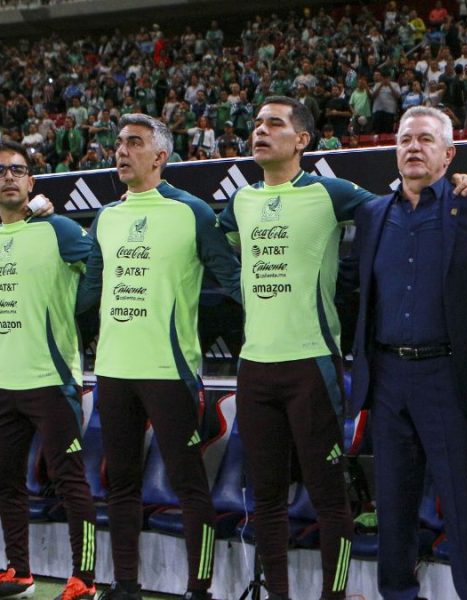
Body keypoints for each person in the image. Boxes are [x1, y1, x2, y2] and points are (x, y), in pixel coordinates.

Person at [217, 96, 467, 600]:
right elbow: (218, 246)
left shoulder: (332, 193)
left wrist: (458, 185)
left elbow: (400, 205)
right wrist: (242, 288)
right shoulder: (241, 201)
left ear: (302, 140)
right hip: (253, 367)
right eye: (256, 124)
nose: (260, 131)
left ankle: (334, 596)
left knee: (328, 495)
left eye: (274, 123)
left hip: (311, 364)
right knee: (267, 498)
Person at [340, 105, 467, 600]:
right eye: (406, 139)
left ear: (448, 154)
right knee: (392, 511)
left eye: (426, 139)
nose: (413, 147)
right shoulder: (370, 215)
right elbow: (350, 292)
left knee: (464, 511)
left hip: (449, 379)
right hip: (388, 380)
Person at [77, 114, 242, 600]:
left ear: (160, 156)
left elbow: (232, 281)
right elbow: (86, 296)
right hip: (113, 372)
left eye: (134, 143)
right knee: (121, 485)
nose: (121, 151)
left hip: (169, 372)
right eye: (119, 144)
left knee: (190, 485)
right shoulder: (105, 216)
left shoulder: (192, 212)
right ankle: (125, 585)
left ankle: (200, 589)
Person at [0, 140, 97, 600]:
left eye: (18, 170)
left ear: (31, 181)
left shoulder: (57, 228)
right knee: (7, 482)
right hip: (3, 383)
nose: (9, 177)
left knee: (70, 481)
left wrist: (74, 309)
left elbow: (99, 263)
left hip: (51, 380)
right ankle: (19, 572)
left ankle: (86, 578)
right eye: (1, 171)